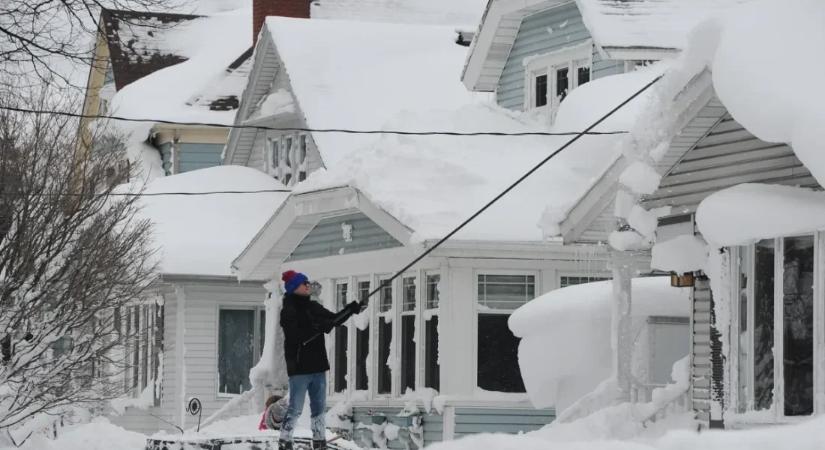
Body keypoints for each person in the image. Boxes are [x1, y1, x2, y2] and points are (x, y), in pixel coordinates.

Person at [278, 270, 361, 450]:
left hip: (318, 366)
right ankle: (285, 440)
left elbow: (333, 320)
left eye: (308, 282)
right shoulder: (288, 311)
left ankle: (319, 441)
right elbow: (296, 336)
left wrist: (350, 310)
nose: (308, 285)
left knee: (319, 408)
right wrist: (319, 327)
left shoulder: (313, 307)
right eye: (304, 283)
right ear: (294, 287)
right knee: (296, 408)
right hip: (299, 368)